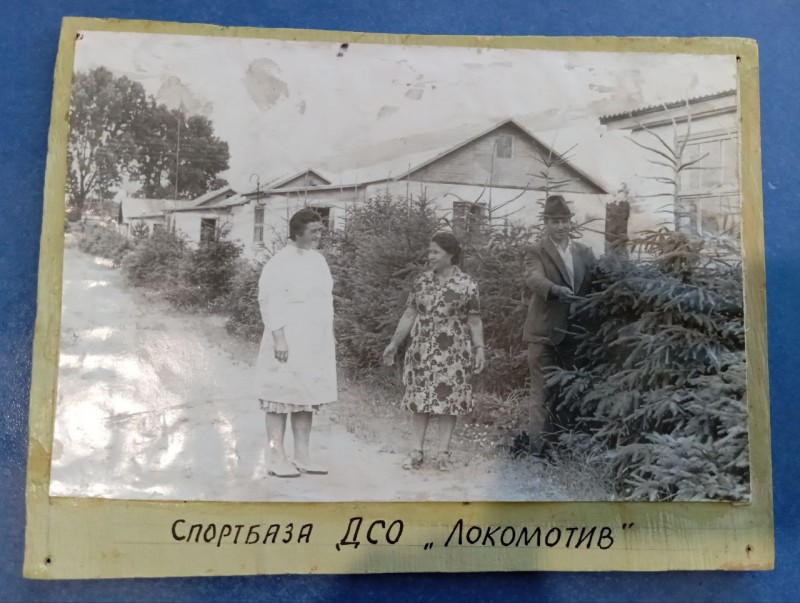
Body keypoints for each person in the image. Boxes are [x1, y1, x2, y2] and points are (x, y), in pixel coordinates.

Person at [382, 232, 486, 471]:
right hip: (422, 348)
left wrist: (480, 349)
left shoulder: (467, 284)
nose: (430, 256)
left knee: (449, 400)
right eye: (429, 251)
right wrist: (394, 344)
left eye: (435, 252)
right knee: (419, 398)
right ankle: (416, 451)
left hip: (454, 351)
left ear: (451, 254)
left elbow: (475, 321)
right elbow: (409, 314)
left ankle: (443, 454)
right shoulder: (421, 281)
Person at [254, 208, 337, 478]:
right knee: (279, 396)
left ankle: (302, 456)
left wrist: (325, 336)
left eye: (320, 230)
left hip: (313, 340)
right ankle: (275, 457)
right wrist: (279, 338)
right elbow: (269, 301)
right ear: (297, 232)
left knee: (305, 396)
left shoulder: (318, 261)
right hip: (287, 338)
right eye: (313, 231)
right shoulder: (279, 263)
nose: (319, 235)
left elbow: (324, 300)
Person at [522, 195, 596, 459]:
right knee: (541, 394)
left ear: (570, 222)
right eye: (554, 221)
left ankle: (563, 449)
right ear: (546, 223)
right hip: (544, 335)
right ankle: (536, 453)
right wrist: (555, 290)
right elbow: (534, 279)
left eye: (564, 221)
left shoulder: (584, 252)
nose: (560, 226)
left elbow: (598, 282)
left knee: (568, 392)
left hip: (574, 335)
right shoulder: (536, 251)